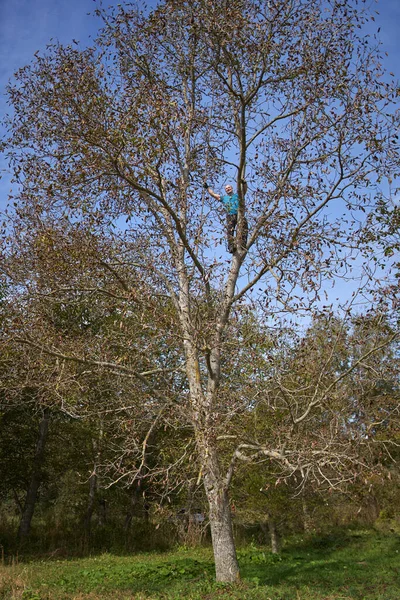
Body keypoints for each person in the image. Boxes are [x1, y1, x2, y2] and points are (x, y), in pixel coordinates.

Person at [204, 181, 248, 253]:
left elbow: (244, 190)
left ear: (232, 188)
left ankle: (242, 244)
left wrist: (244, 183)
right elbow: (213, 195)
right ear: (225, 190)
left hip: (239, 214)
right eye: (226, 188)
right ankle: (231, 247)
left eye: (229, 187)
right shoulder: (224, 198)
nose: (228, 189)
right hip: (230, 215)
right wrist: (207, 187)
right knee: (230, 231)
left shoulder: (238, 195)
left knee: (244, 228)